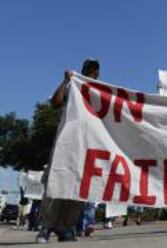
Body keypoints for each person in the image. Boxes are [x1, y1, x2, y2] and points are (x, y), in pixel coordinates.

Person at [36, 59, 101, 243]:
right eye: (90, 70)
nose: (93, 73)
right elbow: (55, 103)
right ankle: (46, 227)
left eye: (96, 71)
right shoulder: (73, 87)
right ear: (83, 70)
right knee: (56, 183)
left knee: (79, 187)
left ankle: (66, 227)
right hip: (66, 143)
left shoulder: (99, 93)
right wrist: (66, 81)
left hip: (87, 146)